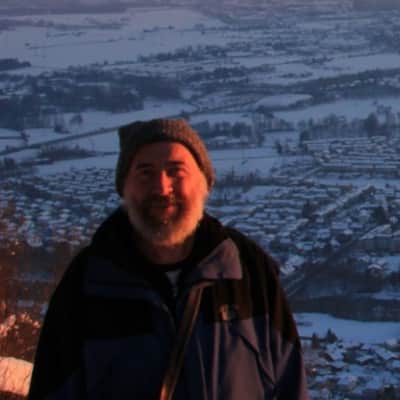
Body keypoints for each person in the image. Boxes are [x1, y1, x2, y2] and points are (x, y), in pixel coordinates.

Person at [28, 118, 309, 399]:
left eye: (176, 171)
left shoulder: (245, 268)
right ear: (124, 187)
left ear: (204, 183)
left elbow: (290, 381)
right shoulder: (89, 282)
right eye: (145, 173)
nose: (161, 188)